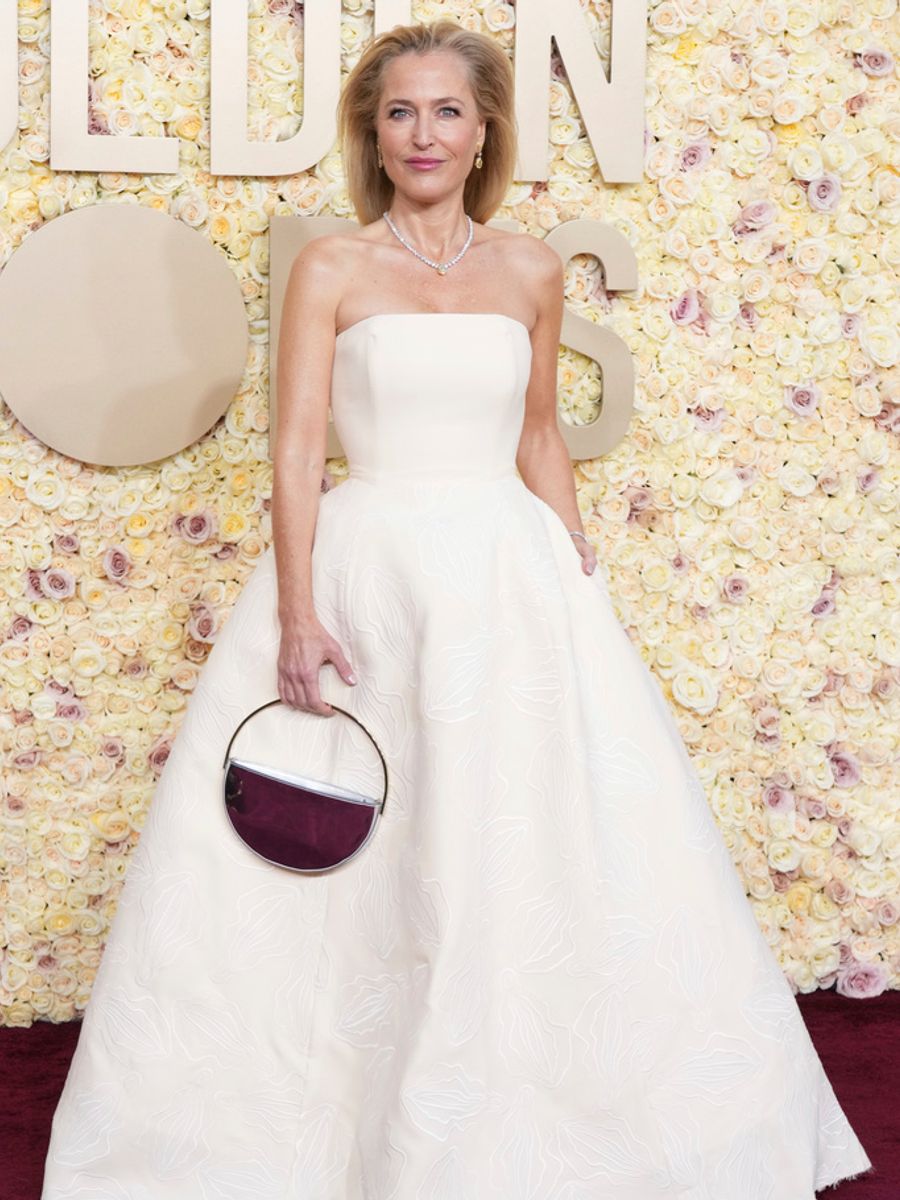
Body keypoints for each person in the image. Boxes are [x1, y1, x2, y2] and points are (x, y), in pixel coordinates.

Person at [41, 19, 874, 1200]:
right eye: (398, 112)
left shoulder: (532, 268)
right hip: (367, 573)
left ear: (484, 130)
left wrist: (573, 561)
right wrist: (294, 613)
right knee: (355, 846)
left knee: (533, 833)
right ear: (372, 135)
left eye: (445, 111)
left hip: (508, 576)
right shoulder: (330, 265)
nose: (422, 134)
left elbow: (539, 432)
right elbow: (294, 453)